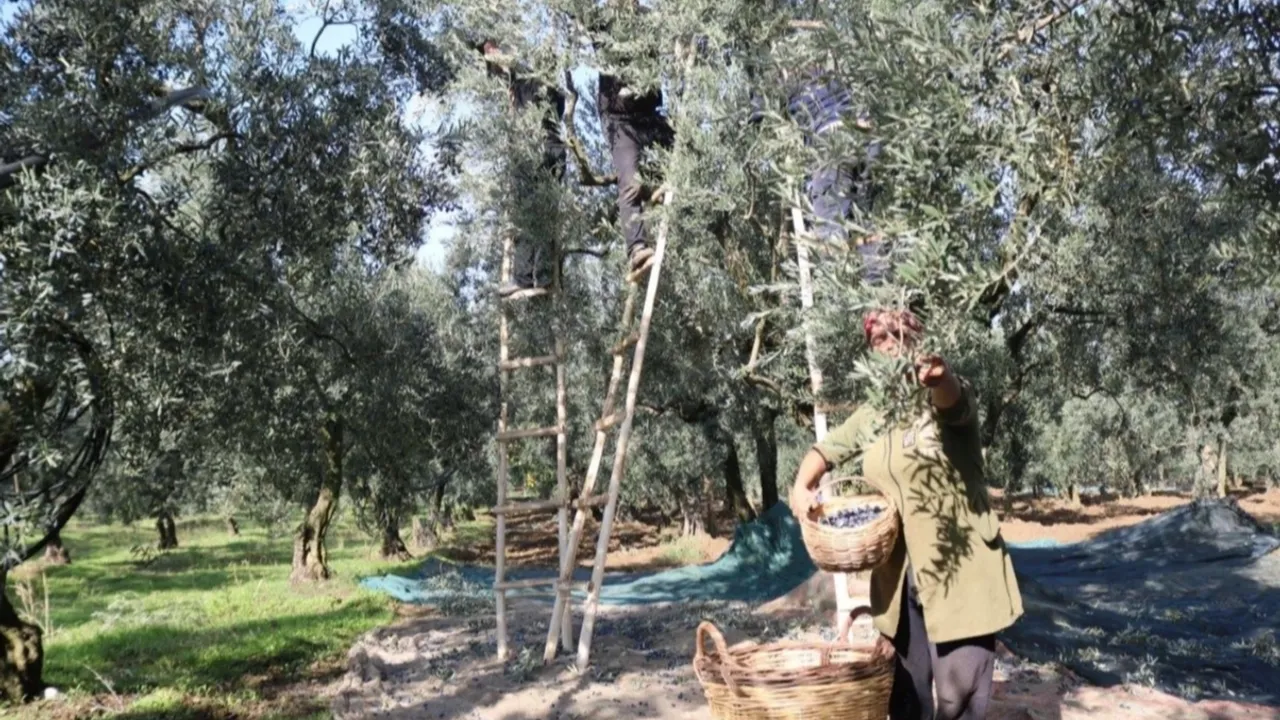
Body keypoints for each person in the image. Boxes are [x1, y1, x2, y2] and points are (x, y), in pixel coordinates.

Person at [788, 307, 1023, 720]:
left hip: (959, 577)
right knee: (905, 703)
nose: (887, 346)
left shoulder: (943, 396)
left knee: (958, 704)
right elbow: (825, 451)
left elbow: (956, 402)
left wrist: (941, 377)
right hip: (898, 585)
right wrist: (800, 486)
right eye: (877, 340)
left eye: (895, 335)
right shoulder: (873, 416)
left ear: (915, 338)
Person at [475, 39, 568, 297]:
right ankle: (544, 277)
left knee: (528, 212)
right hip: (554, 150)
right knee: (547, 212)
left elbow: (508, 62)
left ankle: (526, 277)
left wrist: (492, 52)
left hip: (534, 151)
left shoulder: (524, 77)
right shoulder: (551, 88)